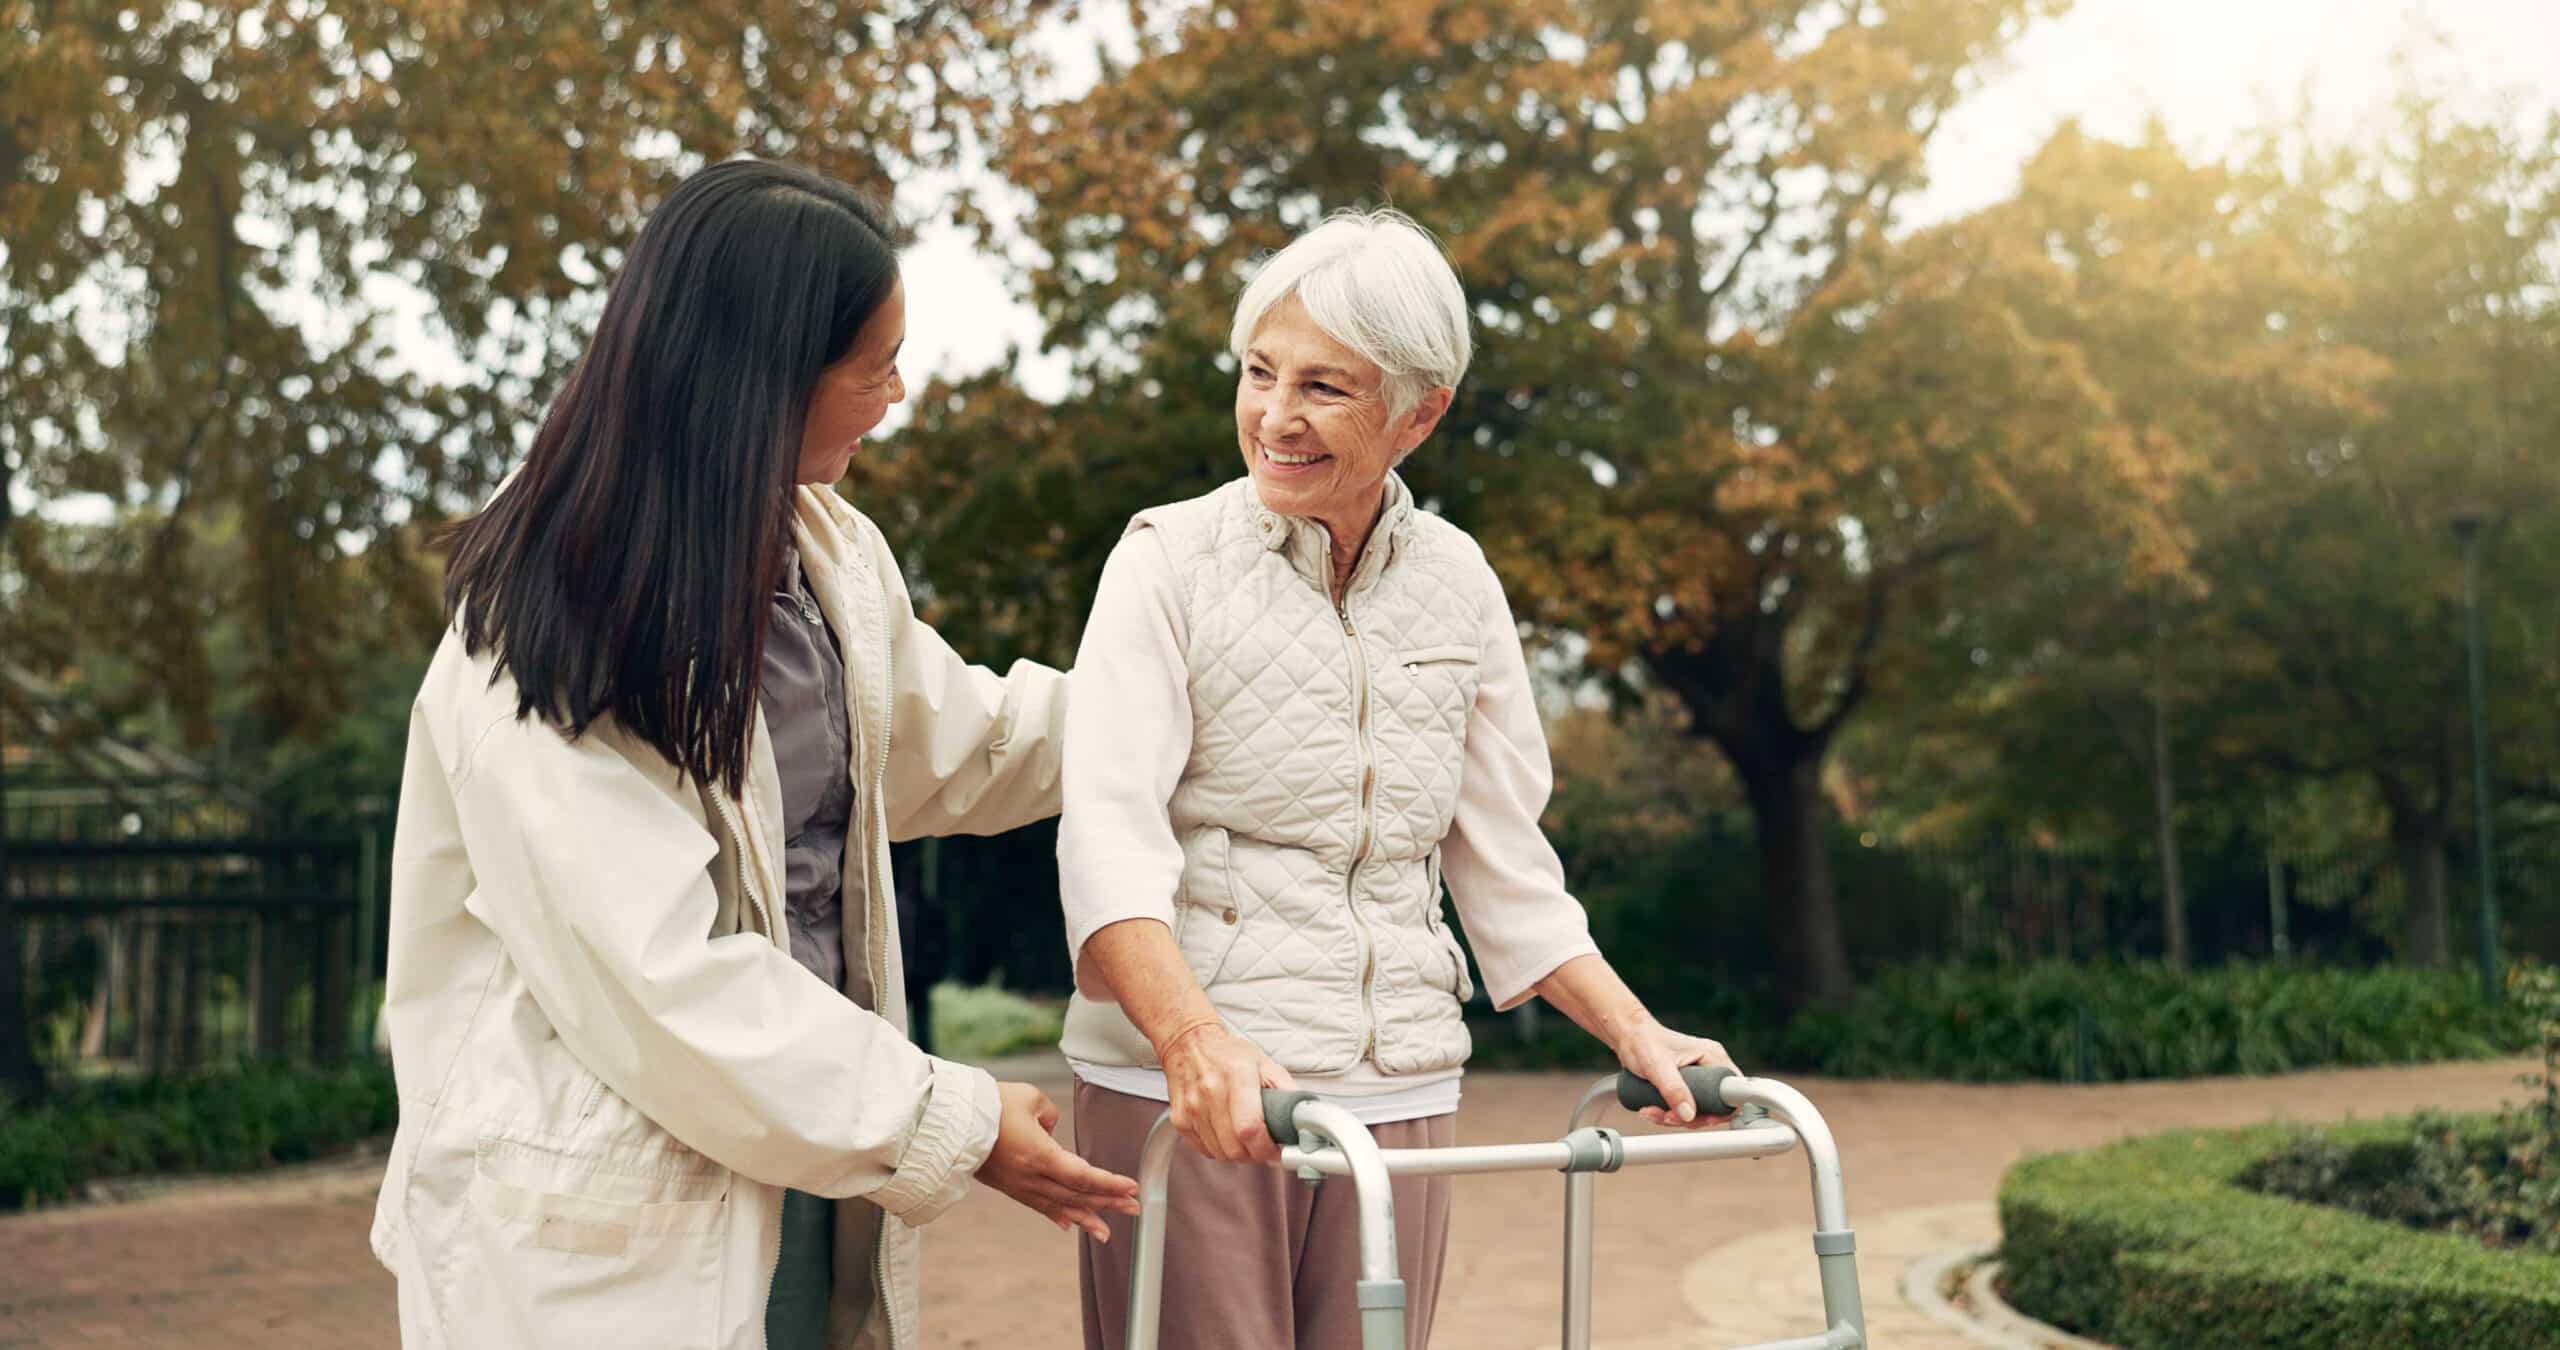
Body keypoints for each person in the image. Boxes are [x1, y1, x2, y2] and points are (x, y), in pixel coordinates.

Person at [368, 158, 1137, 1350]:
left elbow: (956, 746)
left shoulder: (818, 548)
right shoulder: (544, 611)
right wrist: (954, 1119)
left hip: (810, 1153)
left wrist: (1184, 701)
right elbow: (655, 972)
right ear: (765, 378)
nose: (896, 393)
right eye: (873, 363)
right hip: (613, 1209)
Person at [1057, 208, 1742, 1350]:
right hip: (1205, 1098)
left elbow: (1505, 860)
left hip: (1401, 1089)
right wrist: (1194, 1045)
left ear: (1418, 411)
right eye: (1259, 373)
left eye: (1324, 387)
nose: (1275, 418)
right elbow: (1109, 841)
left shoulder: (1458, 582)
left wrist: (1637, 1032)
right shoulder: (1163, 561)